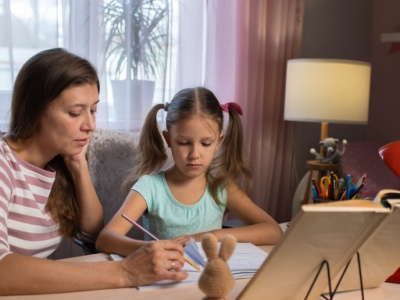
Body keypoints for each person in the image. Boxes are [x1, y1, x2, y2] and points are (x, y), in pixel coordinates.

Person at [0, 48, 187, 295]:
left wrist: (78, 166)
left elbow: (90, 233)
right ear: (35, 110)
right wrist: (126, 272)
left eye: (93, 110)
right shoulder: (4, 164)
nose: (90, 125)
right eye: (75, 113)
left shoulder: (56, 162)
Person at [96, 87, 283, 257]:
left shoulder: (221, 187)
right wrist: (150, 249)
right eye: (184, 143)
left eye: (206, 143)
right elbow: (105, 239)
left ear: (218, 141)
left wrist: (209, 236)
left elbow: (273, 231)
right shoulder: (150, 187)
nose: (194, 154)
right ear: (168, 139)